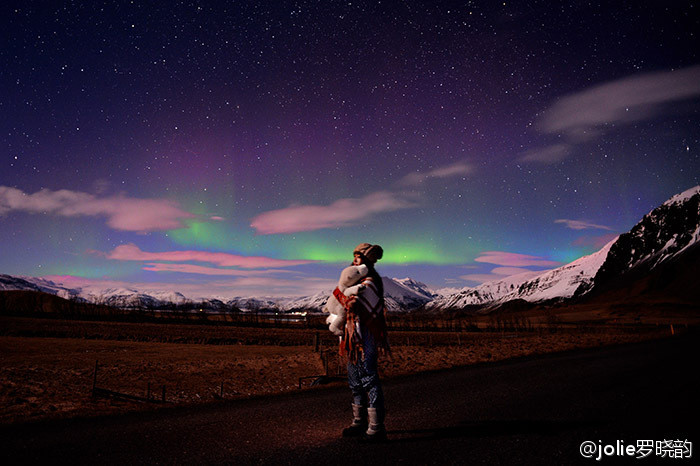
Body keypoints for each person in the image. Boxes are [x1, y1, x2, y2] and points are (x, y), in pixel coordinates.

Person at [335, 243, 390, 442]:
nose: (356, 259)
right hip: (352, 335)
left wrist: (343, 297)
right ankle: (359, 421)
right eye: (354, 256)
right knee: (354, 379)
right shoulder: (354, 280)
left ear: (367, 259)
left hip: (366, 333)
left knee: (369, 377)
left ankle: (376, 427)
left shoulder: (371, 281)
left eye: (359, 256)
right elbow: (345, 299)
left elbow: (354, 303)